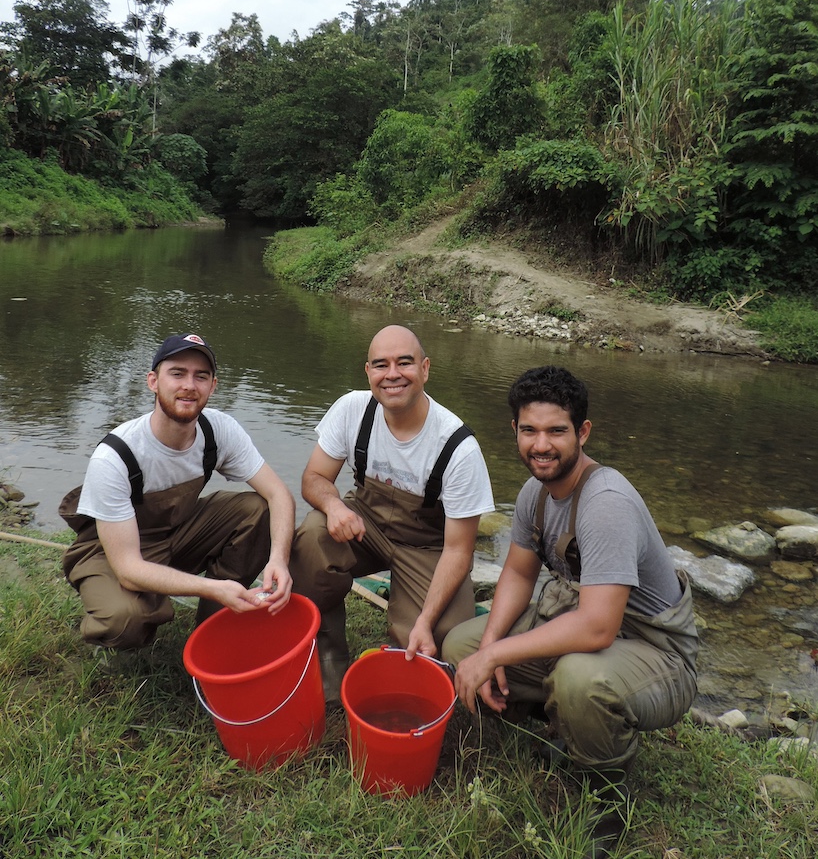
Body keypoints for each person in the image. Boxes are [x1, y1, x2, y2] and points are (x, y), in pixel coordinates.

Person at [443, 365, 698, 858]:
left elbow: (598, 625)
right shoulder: (534, 493)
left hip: (658, 655)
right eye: (530, 430)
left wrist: (497, 657)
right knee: (462, 644)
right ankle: (562, 729)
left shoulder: (605, 501)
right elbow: (517, 576)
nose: (542, 445)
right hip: (596, 632)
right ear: (513, 430)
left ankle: (607, 800)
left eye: (556, 431)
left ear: (582, 432)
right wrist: (491, 647)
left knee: (581, 678)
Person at [289, 324, 495, 702]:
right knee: (313, 536)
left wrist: (426, 619)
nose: (393, 375)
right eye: (381, 365)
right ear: (368, 372)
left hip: (431, 548)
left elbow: (459, 552)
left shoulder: (458, 447)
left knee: (446, 639)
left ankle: (401, 672)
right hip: (365, 527)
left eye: (405, 363)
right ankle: (327, 671)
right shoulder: (352, 409)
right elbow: (314, 477)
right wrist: (334, 505)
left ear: (426, 369)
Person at [61, 332, 296, 650]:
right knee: (124, 621)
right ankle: (110, 624)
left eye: (201, 376)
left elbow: (279, 494)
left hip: (178, 533)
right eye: (177, 373)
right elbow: (129, 570)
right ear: (153, 381)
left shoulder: (219, 430)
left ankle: (215, 625)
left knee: (259, 509)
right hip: (112, 551)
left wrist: (278, 560)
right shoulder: (116, 455)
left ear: (213, 386)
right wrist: (209, 587)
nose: (189, 385)